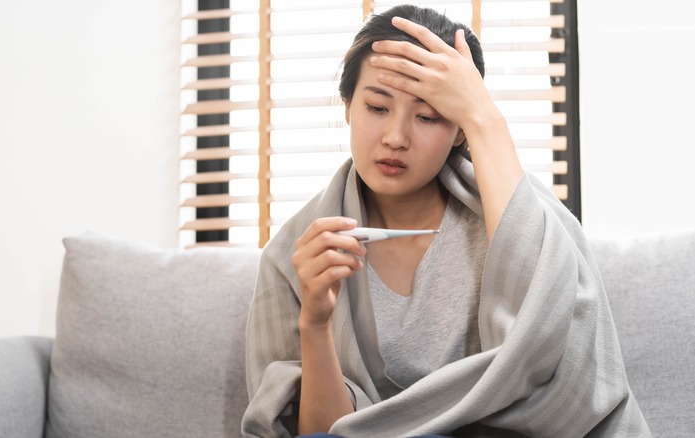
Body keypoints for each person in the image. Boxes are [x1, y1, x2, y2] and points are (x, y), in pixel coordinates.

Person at [242, 5, 650, 437]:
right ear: (347, 108)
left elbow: (557, 361)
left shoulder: (521, 217)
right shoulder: (295, 255)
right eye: (377, 108)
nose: (395, 137)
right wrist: (316, 323)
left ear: (459, 130)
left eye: (428, 116)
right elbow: (323, 434)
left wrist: (483, 115)